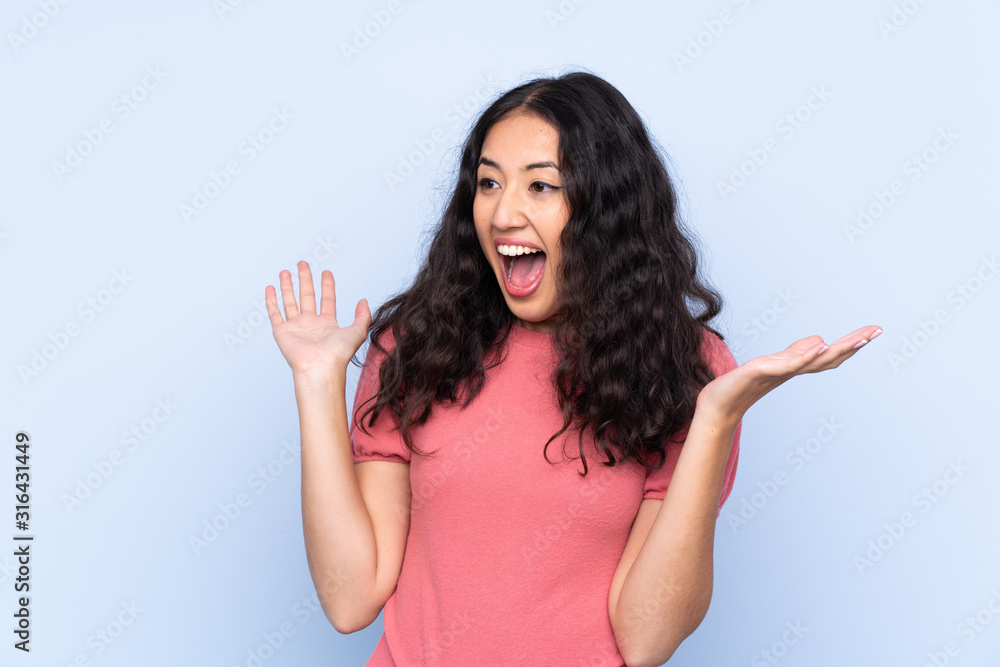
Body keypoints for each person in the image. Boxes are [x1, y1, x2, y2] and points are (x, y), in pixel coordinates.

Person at [264, 70, 881, 667]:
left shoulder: (683, 370)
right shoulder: (419, 347)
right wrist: (317, 382)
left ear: (605, 209)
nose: (503, 214)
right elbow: (351, 601)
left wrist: (714, 419)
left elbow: (647, 639)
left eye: (541, 186)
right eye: (488, 183)